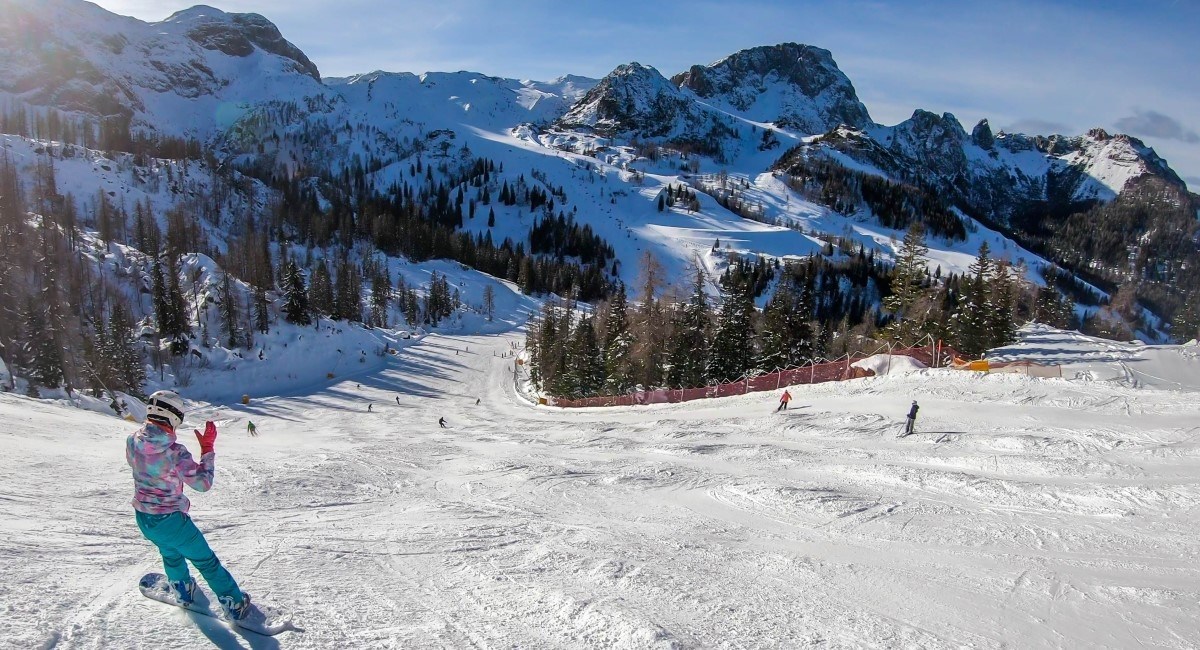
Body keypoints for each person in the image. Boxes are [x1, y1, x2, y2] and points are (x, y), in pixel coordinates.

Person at [126, 390, 252, 620]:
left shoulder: (132, 440)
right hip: (171, 520)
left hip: (143, 517)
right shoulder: (174, 452)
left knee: (170, 554)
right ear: (174, 417)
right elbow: (203, 484)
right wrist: (207, 451)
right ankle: (234, 603)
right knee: (206, 561)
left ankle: (183, 591)